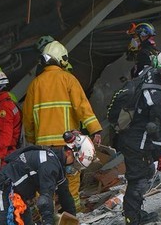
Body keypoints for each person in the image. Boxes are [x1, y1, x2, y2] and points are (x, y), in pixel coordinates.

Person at [107, 48, 161, 225]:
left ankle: (134, 214)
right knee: (140, 178)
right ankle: (132, 219)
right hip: (138, 143)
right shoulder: (159, 99)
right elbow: (156, 130)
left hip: (128, 134)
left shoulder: (149, 72)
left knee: (140, 175)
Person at [23, 41, 102, 210]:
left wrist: (31, 139)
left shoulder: (34, 85)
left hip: (43, 146)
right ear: (62, 59)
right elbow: (82, 107)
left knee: (44, 181)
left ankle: (44, 217)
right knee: (71, 178)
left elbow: (28, 118)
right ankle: (73, 214)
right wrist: (95, 129)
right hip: (66, 143)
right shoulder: (68, 79)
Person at [0, 132, 95, 225]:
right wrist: (48, 222)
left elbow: (65, 194)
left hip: (17, 195)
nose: (74, 168)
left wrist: (72, 220)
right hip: (2, 190)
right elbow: (45, 199)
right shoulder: (49, 165)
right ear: (69, 152)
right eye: (76, 163)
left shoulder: (56, 163)